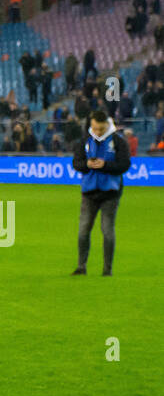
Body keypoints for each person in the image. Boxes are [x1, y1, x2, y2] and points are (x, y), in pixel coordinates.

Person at [71, 110, 130, 276]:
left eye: (101, 129)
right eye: (95, 128)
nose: (97, 132)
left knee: (107, 230)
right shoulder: (84, 141)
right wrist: (87, 164)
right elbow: (76, 163)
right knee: (83, 230)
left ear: (107, 125)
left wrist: (105, 165)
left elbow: (124, 165)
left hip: (110, 192)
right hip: (89, 192)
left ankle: (107, 269)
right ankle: (81, 267)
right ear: (91, 124)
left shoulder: (118, 141)